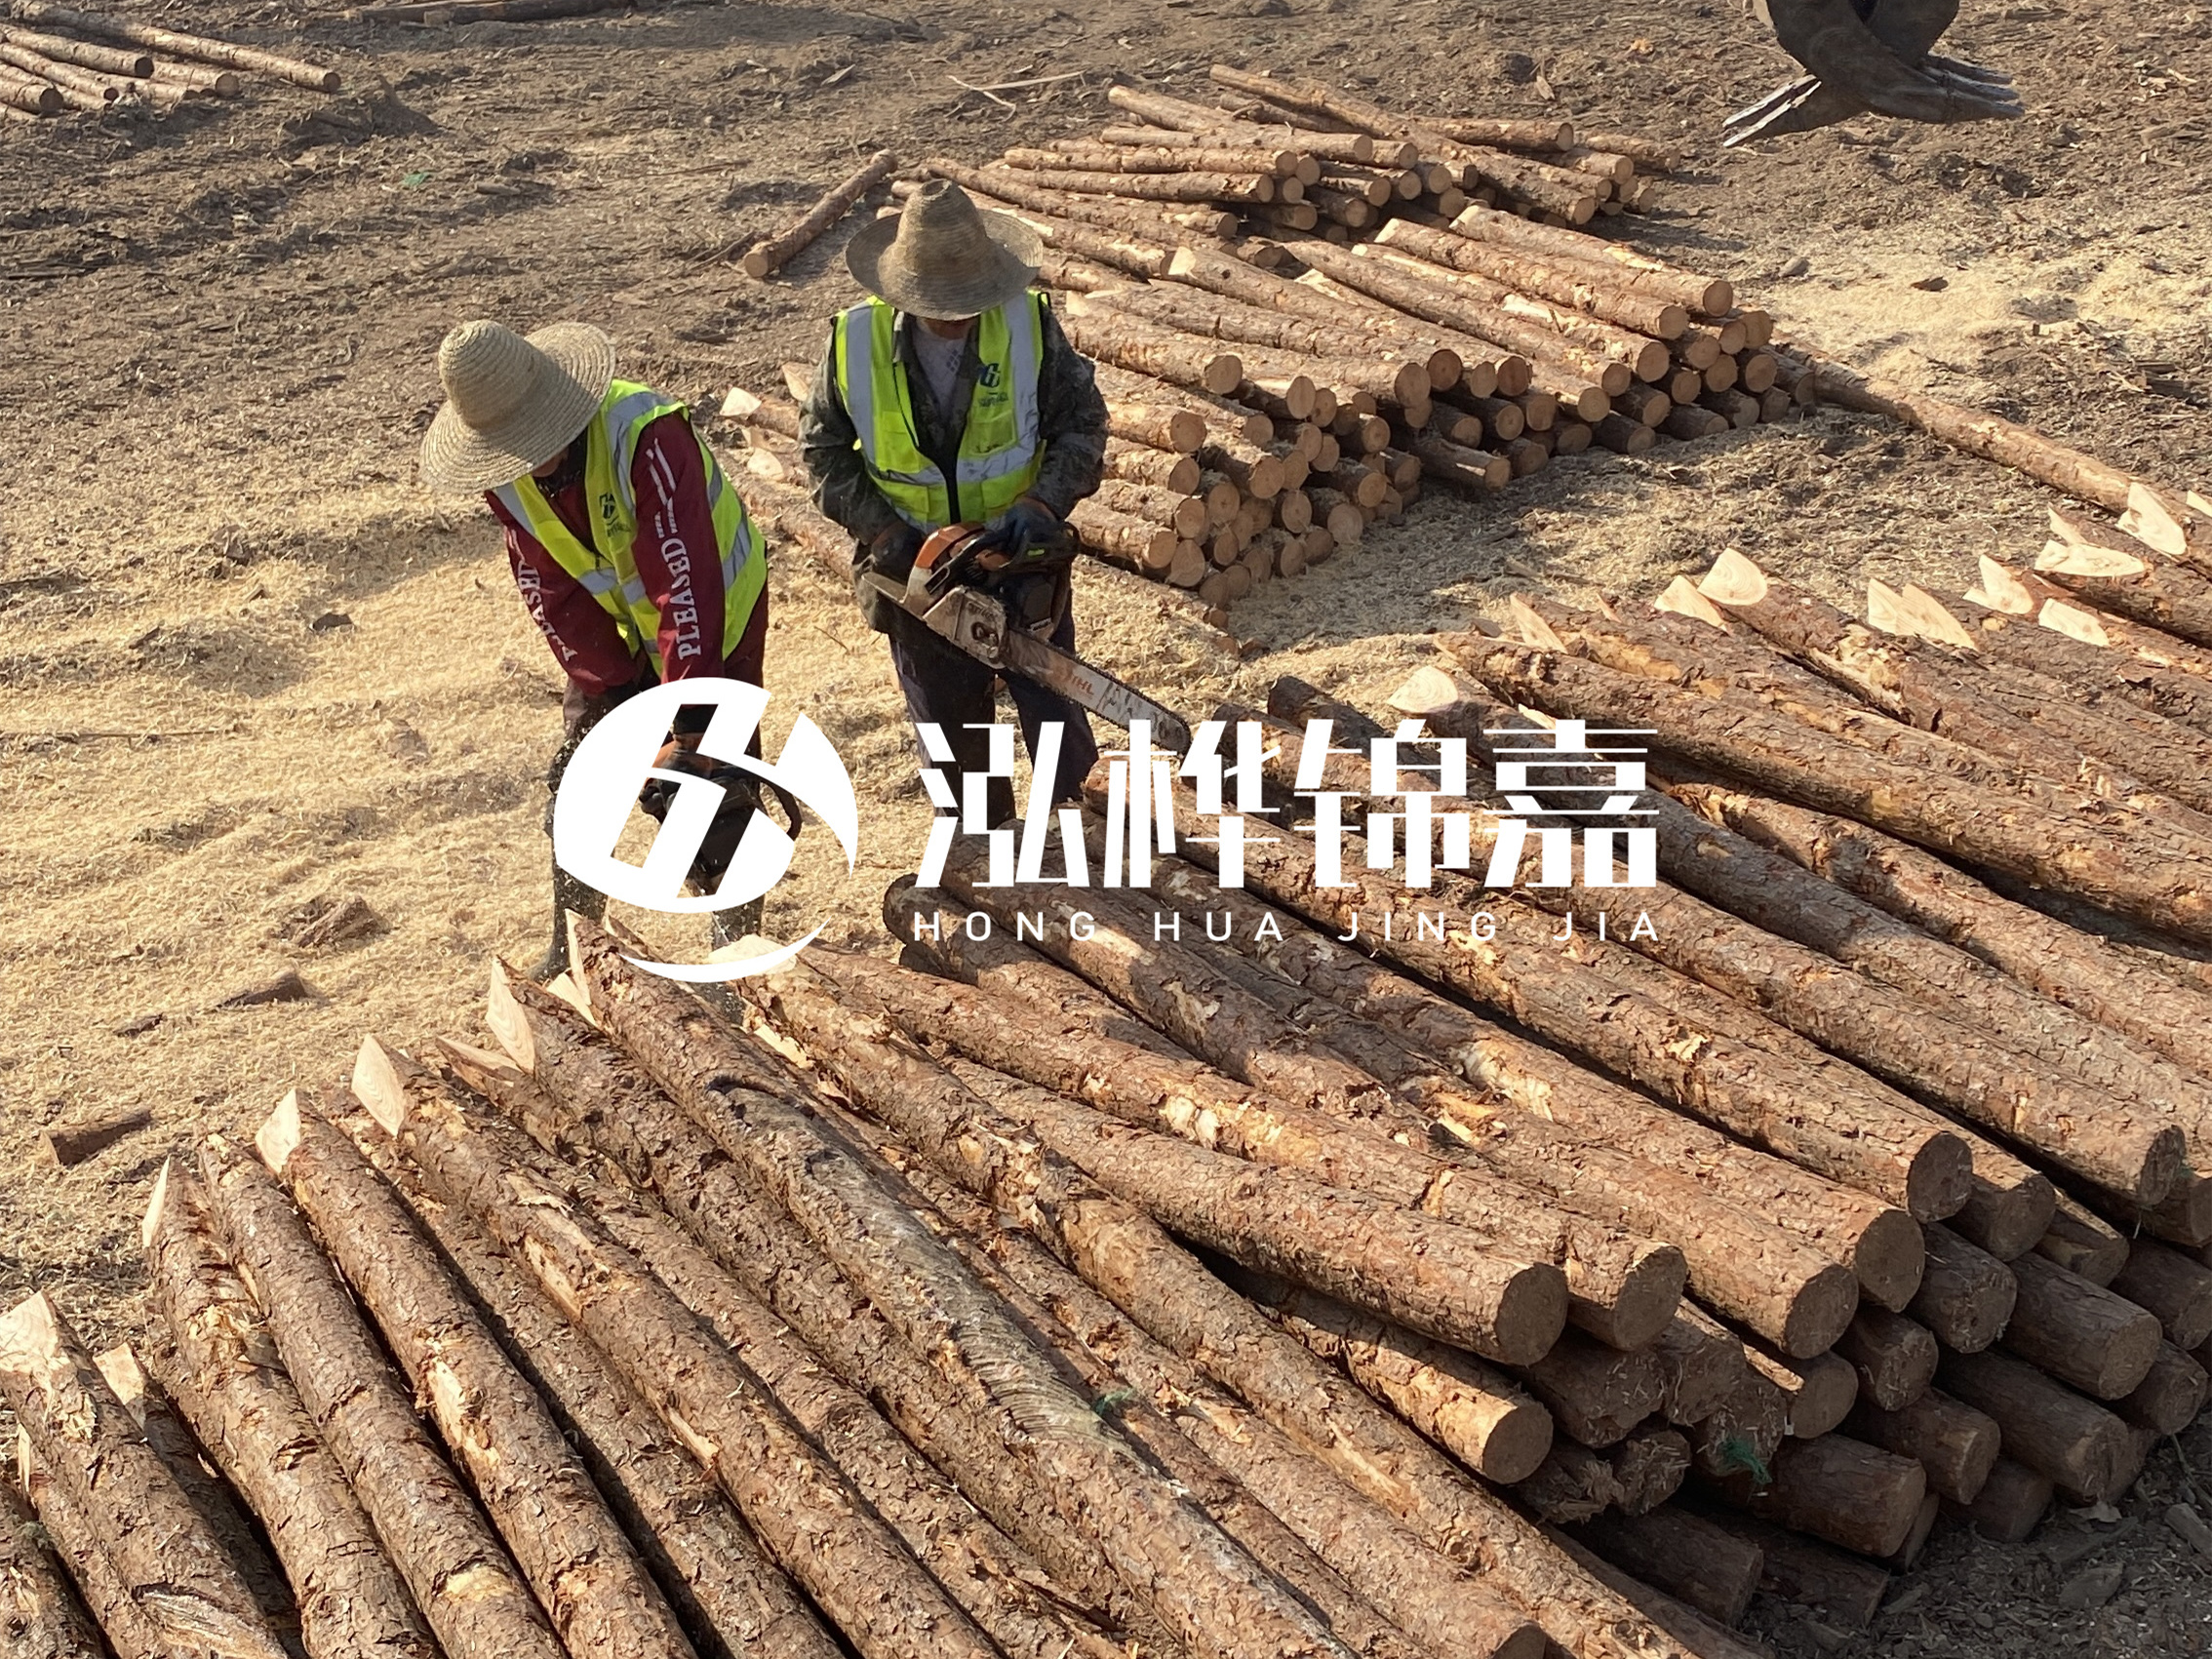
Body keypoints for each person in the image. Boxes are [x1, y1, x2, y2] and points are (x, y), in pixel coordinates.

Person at [418, 318, 771, 978]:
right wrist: (614, 690)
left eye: (532, 440)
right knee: (580, 779)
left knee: (711, 784)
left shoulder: (646, 436)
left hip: (716, 611)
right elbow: (549, 588)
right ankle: (573, 946)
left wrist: (690, 720)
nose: (526, 461)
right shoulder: (503, 473)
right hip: (618, 625)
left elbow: (684, 582)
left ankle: (736, 959)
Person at [800, 179, 1110, 827]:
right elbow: (822, 450)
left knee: (1057, 719)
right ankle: (982, 854)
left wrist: (1044, 503)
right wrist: (882, 530)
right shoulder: (855, 341)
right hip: (919, 575)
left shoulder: (1026, 325)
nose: (958, 315)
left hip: (1018, 561)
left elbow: (1082, 424)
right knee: (954, 744)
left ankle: (1088, 836)